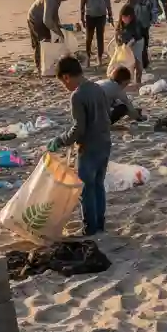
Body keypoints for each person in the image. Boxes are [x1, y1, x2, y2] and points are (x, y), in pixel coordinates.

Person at [47, 56, 112, 236]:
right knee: (98, 185)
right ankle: (100, 223)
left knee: (86, 188)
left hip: (89, 147)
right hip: (104, 143)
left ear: (66, 77)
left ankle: (90, 227)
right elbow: (107, 115)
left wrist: (61, 140)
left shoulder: (78, 95)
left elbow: (79, 128)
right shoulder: (98, 88)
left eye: (63, 83)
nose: (65, 86)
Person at [28, 0, 74, 72]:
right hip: (35, 18)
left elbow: (54, 14)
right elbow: (47, 21)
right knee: (41, 43)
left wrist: (59, 26)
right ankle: (39, 67)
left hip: (43, 18)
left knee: (48, 41)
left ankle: (46, 64)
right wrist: (59, 33)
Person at [80, 0, 112, 68]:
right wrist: (82, 17)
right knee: (89, 38)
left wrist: (110, 14)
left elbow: (108, 1)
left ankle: (99, 57)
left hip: (101, 15)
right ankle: (88, 57)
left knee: (100, 37)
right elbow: (82, 3)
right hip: (90, 15)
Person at [129, 0, 159, 69]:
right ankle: (134, 62)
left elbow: (155, 10)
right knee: (133, 44)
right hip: (133, 25)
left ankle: (144, 63)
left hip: (145, 25)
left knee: (144, 44)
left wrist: (153, 20)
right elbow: (127, 9)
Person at [115, 3, 145, 85]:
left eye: (127, 17)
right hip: (125, 44)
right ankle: (126, 81)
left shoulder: (136, 24)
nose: (125, 19)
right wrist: (119, 44)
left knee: (137, 62)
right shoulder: (120, 24)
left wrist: (130, 43)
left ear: (131, 17)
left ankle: (138, 81)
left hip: (137, 43)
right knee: (126, 63)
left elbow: (137, 36)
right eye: (124, 17)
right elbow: (117, 34)